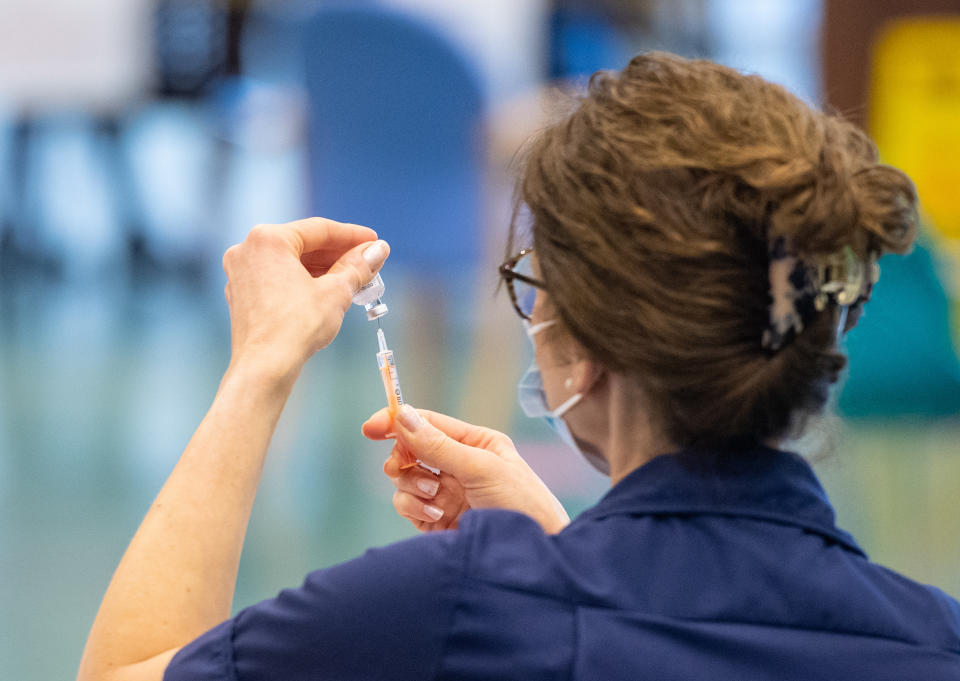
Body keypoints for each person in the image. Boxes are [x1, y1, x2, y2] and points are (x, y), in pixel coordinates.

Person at [78, 53, 960, 681]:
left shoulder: (449, 611)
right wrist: (563, 547)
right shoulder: (934, 637)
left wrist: (259, 365)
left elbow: (123, 672)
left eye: (531, 281)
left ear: (577, 340)